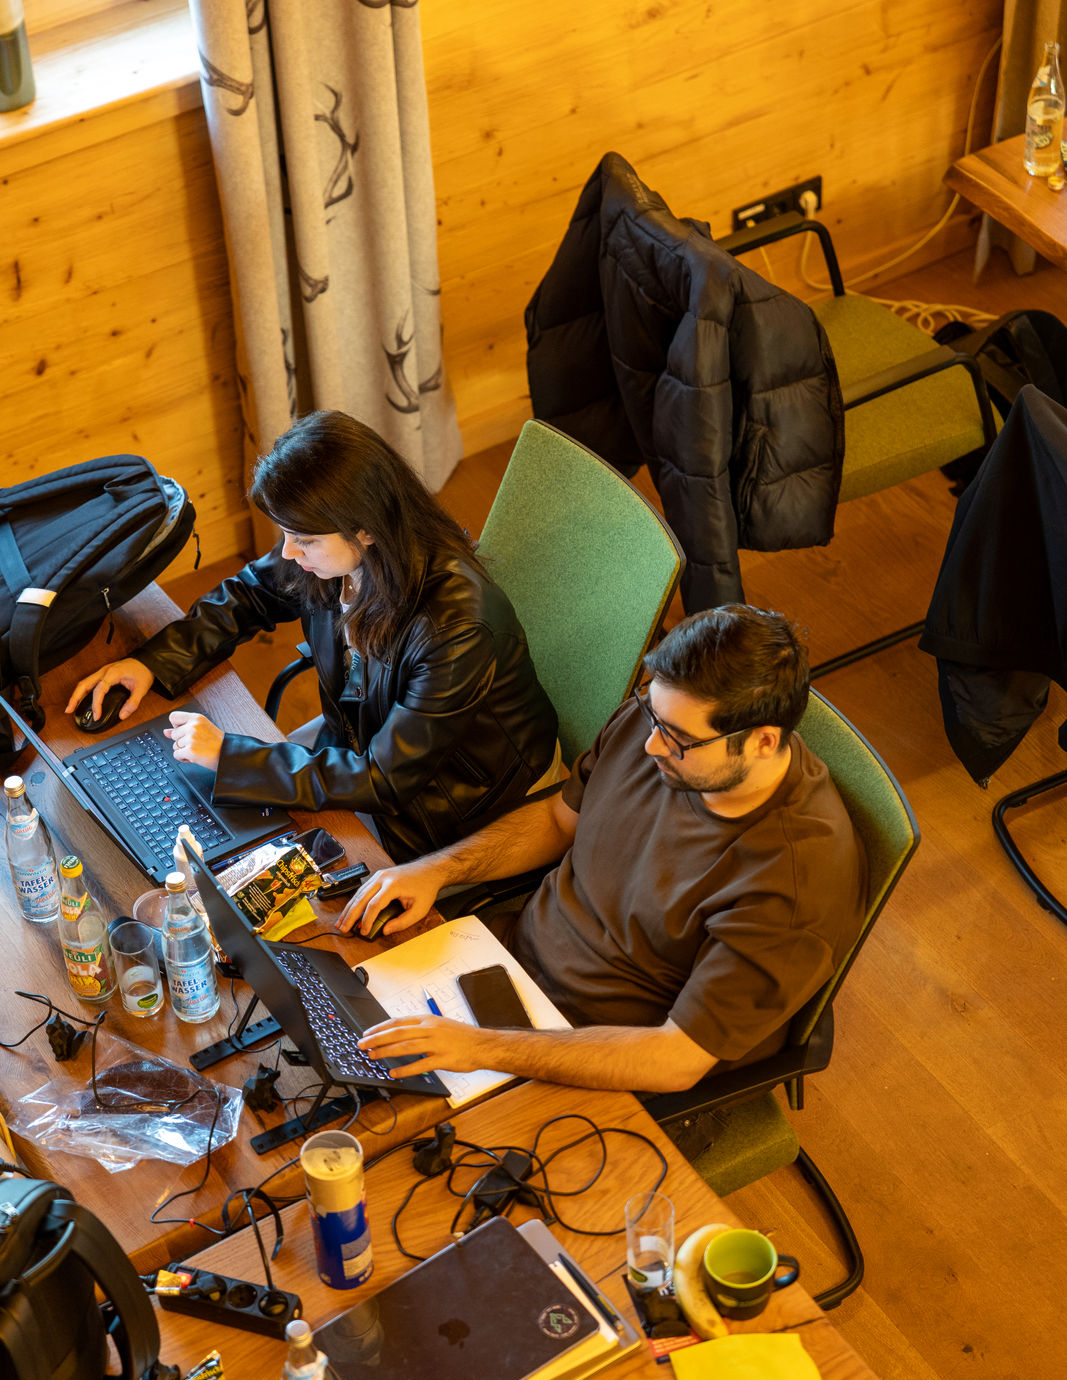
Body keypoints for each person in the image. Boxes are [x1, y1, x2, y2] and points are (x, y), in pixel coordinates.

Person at [340, 604, 868, 1095]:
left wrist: (480, 1048)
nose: (651, 745)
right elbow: (558, 820)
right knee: (333, 1018)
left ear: (763, 742)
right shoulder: (657, 724)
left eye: (677, 738)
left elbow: (677, 1058)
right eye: (653, 713)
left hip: (601, 1058)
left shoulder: (794, 882)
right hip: (500, 967)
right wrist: (436, 870)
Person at [66, 412, 559, 862]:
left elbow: (385, 780)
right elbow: (252, 592)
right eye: (287, 534)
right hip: (364, 740)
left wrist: (230, 757)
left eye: (304, 539)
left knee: (260, 857)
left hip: (451, 799)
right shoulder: (337, 555)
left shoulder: (456, 628)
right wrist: (153, 662)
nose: (289, 552)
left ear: (366, 529)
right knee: (207, 806)